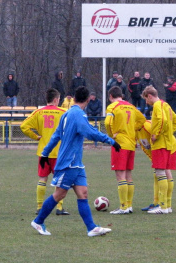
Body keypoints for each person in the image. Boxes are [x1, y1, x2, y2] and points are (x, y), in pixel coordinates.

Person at [31, 86, 121, 237]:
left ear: (73, 98)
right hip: (69, 162)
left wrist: (45, 154)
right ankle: (38, 221)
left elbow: (55, 136)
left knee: (83, 193)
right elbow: (90, 132)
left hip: (76, 163)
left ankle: (91, 228)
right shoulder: (78, 114)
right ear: (87, 99)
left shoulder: (66, 114)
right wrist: (111, 141)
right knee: (59, 194)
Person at [20, 89, 69, 215]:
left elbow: (23, 126)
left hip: (44, 152)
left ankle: (40, 206)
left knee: (42, 179)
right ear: (56, 100)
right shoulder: (64, 112)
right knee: (60, 181)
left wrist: (35, 136)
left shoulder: (38, 112)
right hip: (59, 152)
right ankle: (59, 208)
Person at [105, 86, 145, 214]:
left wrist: (111, 135)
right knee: (128, 174)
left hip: (120, 144)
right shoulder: (131, 106)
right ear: (121, 95)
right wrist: (133, 129)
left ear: (111, 96)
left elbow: (107, 122)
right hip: (131, 143)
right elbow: (142, 120)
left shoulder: (112, 107)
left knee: (120, 175)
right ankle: (129, 205)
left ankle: (123, 206)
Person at [142, 86, 176, 214]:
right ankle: (167, 205)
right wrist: (168, 133)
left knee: (160, 172)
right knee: (167, 172)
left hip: (160, 144)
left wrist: (156, 134)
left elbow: (162, 120)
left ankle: (162, 207)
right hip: (169, 143)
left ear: (150, 96)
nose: (146, 103)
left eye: (146, 99)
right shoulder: (166, 105)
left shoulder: (157, 105)